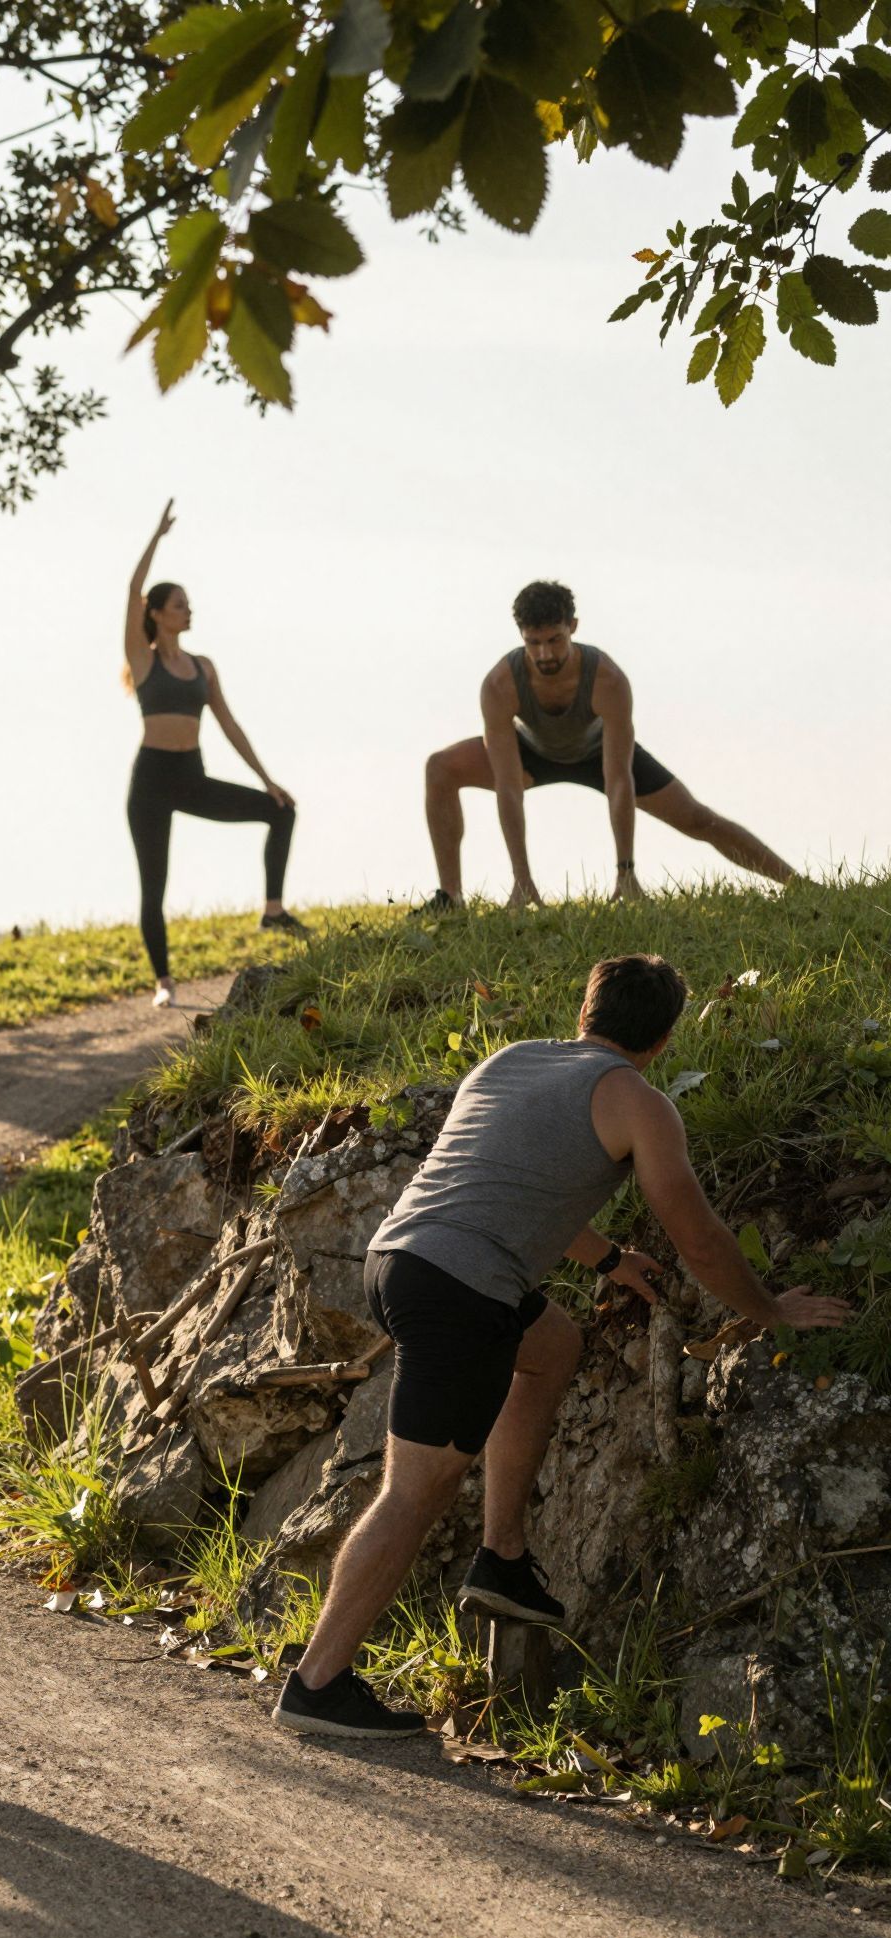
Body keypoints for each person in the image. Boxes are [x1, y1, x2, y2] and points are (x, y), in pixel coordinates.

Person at [272, 954, 851, 1739]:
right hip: (461, 1291)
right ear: (666, 1036)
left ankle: (501, 1557)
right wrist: (771, 1310)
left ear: (586, 1011)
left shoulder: (511, 1063)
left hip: (396, 1261)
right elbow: (703, 1241)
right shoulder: (638, 1104)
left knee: (552, 1342)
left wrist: (610, 1260)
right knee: (415, 1492)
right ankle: (318, 1684)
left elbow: (507, 1186)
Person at [416, 580, 795, 914]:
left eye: (554, 640)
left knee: (698, 818)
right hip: (529, 755)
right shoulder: (500, 685)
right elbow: (508, 786)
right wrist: (522, 879)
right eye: (533, 643)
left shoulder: (607, 679)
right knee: (440, 767)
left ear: (573, 628)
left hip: (599, 755)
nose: (545, 654)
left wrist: (625, 871)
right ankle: (451, 898)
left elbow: (618, 780)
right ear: (521, 636)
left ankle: (800, 887)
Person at [124, 501, 306, 1006]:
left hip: (191, 776)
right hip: (151, 782)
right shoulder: (143, 660)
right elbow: (130, 590)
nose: (189, 609)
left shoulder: (203, 667)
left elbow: (229, 725)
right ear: (157, 614)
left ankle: (273, 911)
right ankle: (163, 982)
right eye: (180, 604)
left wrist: (267, 779)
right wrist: (157, 537)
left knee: (281, 810)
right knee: (153, 884)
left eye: (189, 603)